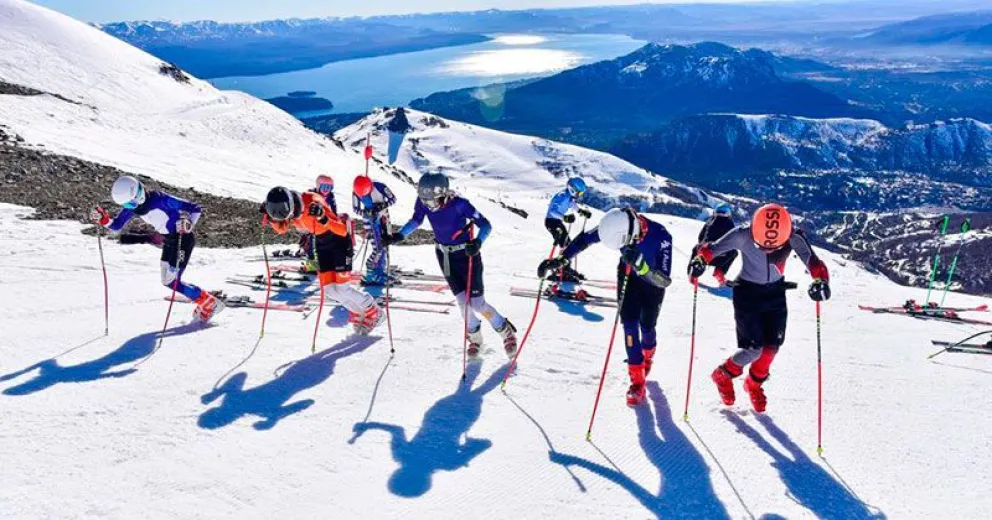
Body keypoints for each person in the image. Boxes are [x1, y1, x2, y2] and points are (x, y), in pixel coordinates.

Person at [688, 203, 830, 413]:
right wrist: (700, 260)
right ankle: (723, 374)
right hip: (747, 294)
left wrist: (821, 281)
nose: (767, 249)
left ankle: (753, 384)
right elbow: (711, 249)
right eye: (761, 245)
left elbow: (813, 262)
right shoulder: (743, 234)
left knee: (772, 346)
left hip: (775, 294)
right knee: (754, 348)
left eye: (774, 247)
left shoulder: (793, 236)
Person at [539, 207, 673, 406]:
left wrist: (642, 267)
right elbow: (586, 239)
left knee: (647, 326)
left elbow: (664, 280)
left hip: (652, 284)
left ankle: (647, 357)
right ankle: (637, 381)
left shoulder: (661, 236)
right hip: (628, 275)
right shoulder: (615, 223)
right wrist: (563, 258)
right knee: (629, 326)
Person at [385, 173, 517, 359]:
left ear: (444, 194)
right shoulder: (424, 201)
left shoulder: (460, 205)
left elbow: (485, 225)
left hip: (467, 255)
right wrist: (400, 235)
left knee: (477, 303)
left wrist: (478, 242)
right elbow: (417, 219)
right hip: (444, 256)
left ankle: (505, 331)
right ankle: (475, 339)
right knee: (463, 303)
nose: (429, 205)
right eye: (426, 201)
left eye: (433, 201)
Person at [90, 176, 225, 322]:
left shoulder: (160, 199)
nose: (131, 206)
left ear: (139, 193)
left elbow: (195, 208)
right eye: (127, 205)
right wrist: (103, 219)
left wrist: (188, 224)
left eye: (131, 203)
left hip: (183, 239)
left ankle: (210, 303)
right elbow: (117, 225)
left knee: (172, 281)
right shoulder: (136, 207)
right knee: (167, 281)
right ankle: (205, 299)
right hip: (169, 241)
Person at [261, 186, 383, 335]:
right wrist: (270, 218)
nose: (284, 216)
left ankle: (373, 310)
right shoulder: (289, 210)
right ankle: (359, 312)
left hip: (339, 242)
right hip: (321, 243)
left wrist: (323, 218)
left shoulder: (312, 201)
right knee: (330, 290)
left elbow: (342, 230)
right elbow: (282, 229)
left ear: (291, 205)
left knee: (342, 288)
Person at [544, 178, 592, 283]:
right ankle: (562, 270)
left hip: (557, 222)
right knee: (565, 244)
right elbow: (552, 211)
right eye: (579, 193)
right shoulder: (562, 196)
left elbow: (572, 204)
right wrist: (564, 217)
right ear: (572, 189)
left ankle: (565, 268)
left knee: (567, 244)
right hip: (551, 222)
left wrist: (581, 211)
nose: (579, 195)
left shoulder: (568, 196)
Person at [352, 175, 397, 286]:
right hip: (370, 221)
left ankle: (380, 272)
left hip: (383, 218)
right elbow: (356, 209)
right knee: (378, 248)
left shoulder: (379, 186)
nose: (364, 195)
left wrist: (381, 206)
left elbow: (393, 199)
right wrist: (366, 212)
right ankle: (370, 272)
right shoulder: (356, 192)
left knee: (385, 246)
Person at [298, 174, 339, 272]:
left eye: (330, 188)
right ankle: (312, 263)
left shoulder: (330, 197)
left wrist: (334, 222)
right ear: (318, 186)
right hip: (309, 223)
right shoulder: (312, 194)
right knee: (313, 240)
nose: (327, 190)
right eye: (324, 187)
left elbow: (333, 212)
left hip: (322, 222)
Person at [692, 203, 738, 286]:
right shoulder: (730, 223)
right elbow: (733, 241)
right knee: (734, 252)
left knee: (696, 248)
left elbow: (700, 237)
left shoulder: (709, 221)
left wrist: (701, 247)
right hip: (721, 258)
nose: (722, 214)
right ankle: (720, 271)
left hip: (704, 256)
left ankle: (693, 273)